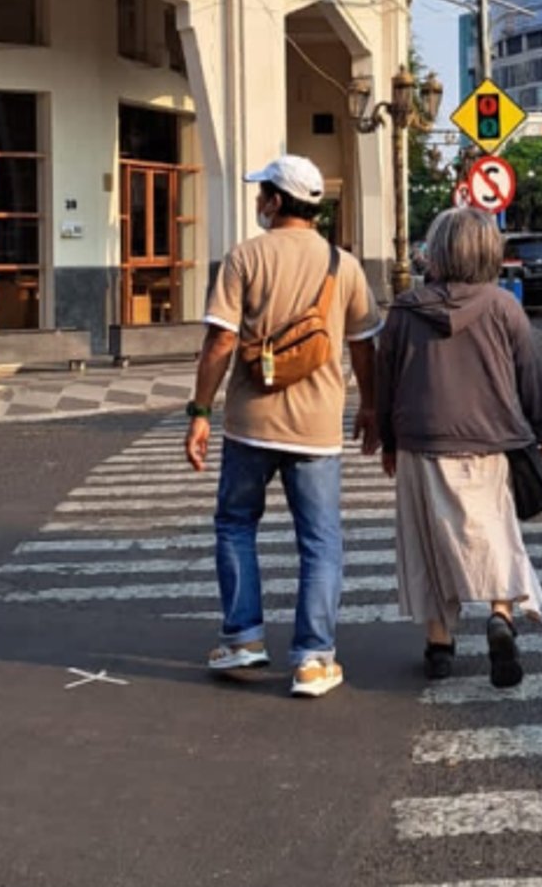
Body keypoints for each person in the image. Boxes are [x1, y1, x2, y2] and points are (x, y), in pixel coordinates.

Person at [185, 154, 381, 698]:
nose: (257, 201)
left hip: (249, 424)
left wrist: (199, 412)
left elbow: (221, 341)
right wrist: (371, 408)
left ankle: (243, 637)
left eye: (261, 193)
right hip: (318, 429)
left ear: (275, 201)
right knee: (320, 541)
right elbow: (365, 346)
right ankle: (313, 659)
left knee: (235, 524)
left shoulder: (244, 257)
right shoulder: (344, 265)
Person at [377, 207, 542, 689]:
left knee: (427, 542)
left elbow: (386, 382)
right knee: (495, 531)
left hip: (421, 441)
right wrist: (540, 427)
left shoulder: (405, 311)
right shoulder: (504, 307)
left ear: (437, 250)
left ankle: (438, 643)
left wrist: (388, 440)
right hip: (492, 440)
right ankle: (500, 614)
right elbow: (529, 375)